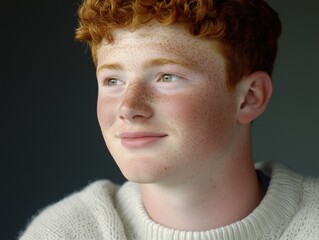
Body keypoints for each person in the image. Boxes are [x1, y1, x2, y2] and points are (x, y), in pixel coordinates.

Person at [19, 0, 319, 239]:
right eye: (112, 81)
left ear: (250, 97)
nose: (128, 107)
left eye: (167, 77)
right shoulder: (62, 232)